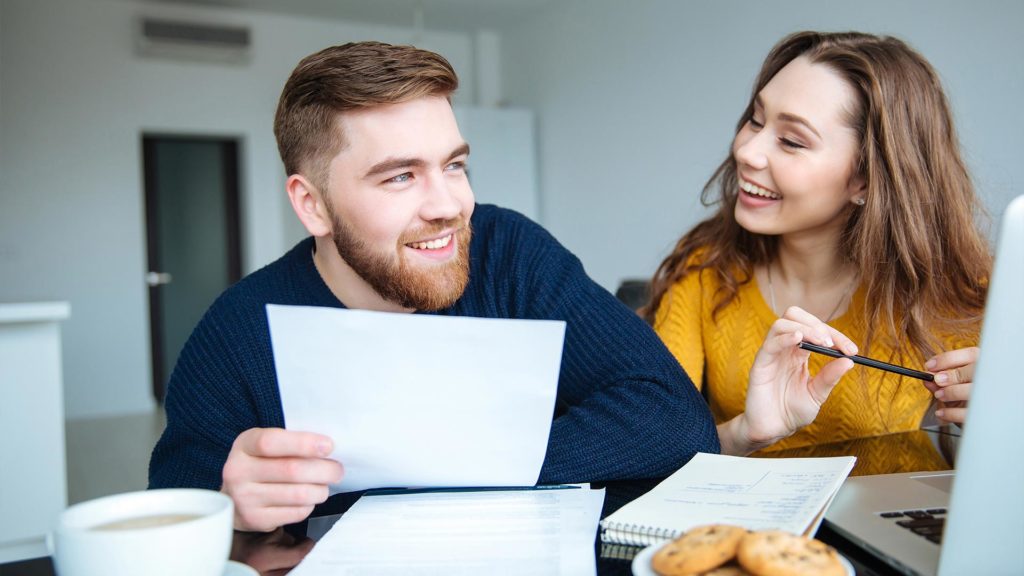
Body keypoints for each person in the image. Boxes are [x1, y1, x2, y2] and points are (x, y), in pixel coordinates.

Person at [148, 41, 720, 533]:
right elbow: (172, 514)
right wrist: (228, 507)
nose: (450, 206)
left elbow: (672, 416)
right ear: (312, 204)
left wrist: (443, 466)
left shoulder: (508, 252)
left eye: (454, 165)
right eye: (400, 176)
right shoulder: (238, 330)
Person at [642, 31, 990, 457]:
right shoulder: (704, 272)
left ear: (866, 179)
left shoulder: (958, 292)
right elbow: (648, 449)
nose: (747, 150)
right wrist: (746, 433)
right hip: (749, 523)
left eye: (791, 141)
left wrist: (1001, 425)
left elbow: (976, 475)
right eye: (755, 119)